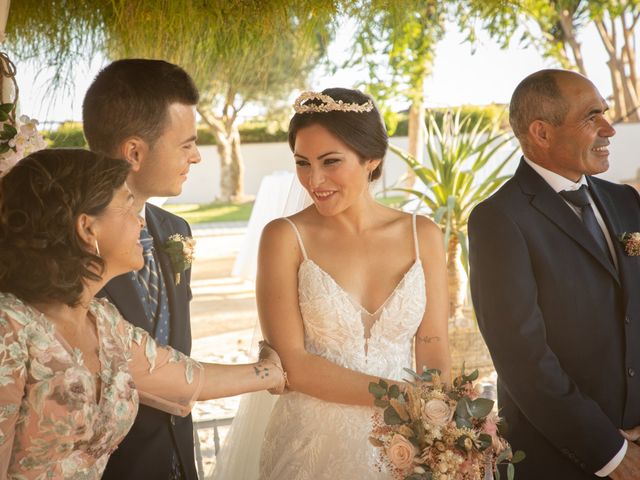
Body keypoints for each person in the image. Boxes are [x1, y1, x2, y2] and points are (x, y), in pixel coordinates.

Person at [0, 149, 285, 479]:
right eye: (126, 204)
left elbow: (186, 377)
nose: (140, 219)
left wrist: (273, 371)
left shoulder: (104, 322)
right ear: (87, 228)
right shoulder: (10, 329)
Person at [255, 88, 451, 479]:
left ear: (371, 159)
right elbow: (293, 363)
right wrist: (405, 397)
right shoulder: (284, 237)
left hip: (405, 444)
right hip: (311, 446)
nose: (315, 179)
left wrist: (439, 432)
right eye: (302, 163)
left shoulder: (422, 234)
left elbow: (433, 350)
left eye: (331, 162)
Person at [468, 69, 640, 480]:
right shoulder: (497, 220)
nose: (609, 129)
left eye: (605, 112)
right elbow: (522, 358)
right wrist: (612, 454)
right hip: (561, 460)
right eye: (590, 117)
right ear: (541, 133)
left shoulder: (625, 201)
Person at [82, 58, 202, 479]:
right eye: (186, 144)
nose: (197, 156)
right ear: (134, 152)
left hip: (178, 460)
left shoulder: (175, 229)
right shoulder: (68, 239)